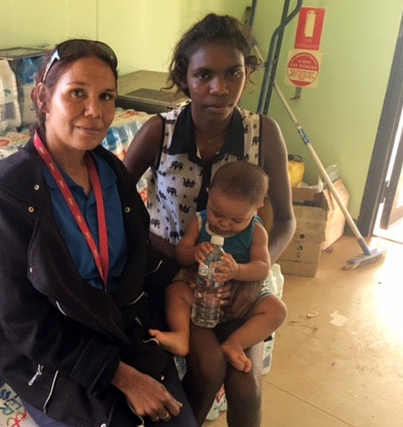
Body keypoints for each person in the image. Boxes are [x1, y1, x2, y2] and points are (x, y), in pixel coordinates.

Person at [0, 39, 197, 427]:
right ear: (43, 98)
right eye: (77, 93)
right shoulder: (12, 188)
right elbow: (21, 315)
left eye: (107, 96)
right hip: (55, 348)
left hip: (119, 326)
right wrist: (121, 375)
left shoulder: (110, 171)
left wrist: (186, 277)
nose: (94, 111)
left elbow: (137, 254)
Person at [123, 13, 296, 427]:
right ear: (185, 79)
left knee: (245, 382)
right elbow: (120, 204)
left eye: (233, 73)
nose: (220, 88)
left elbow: (286, 221)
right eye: (204, 75)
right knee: (208, 367)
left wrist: (255, 273)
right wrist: (177, 255)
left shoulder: (263, 134)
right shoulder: (158, 133)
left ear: (247, 74)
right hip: (175, 275)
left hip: (243, 276)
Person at [148, 162, 287, 374]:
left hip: (241, 294)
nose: (224, 224)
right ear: (208, 195)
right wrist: (193, 252)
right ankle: (180, 335)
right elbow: (180, 255)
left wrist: (238, 271)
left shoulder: (256, 231)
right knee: (175, 291)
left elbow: (262, 267)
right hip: (201, 291)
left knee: (277, 310)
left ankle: (235, 343)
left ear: (258, 206)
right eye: (217, 213)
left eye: (237, 220)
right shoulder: (200, 222)